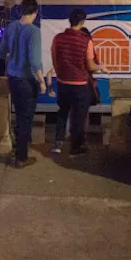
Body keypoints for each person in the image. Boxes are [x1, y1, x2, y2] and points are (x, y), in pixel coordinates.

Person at [50, 8, 106, 156]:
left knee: (62, 112)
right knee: (78, 117)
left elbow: (55, 60)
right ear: (82, 22)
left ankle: (57, 143)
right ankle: (75, 148)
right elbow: (90, 65)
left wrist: (62, 74)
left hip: (63, 83)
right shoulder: (85, 40)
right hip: (80, 85)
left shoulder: (57, 38)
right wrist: (101, 67)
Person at [0, 0, 45, 168]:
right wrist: (42, 81)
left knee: (19, 116)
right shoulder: (34, 31)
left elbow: (1, 52)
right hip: (27, 80)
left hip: (13, 78)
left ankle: (19, 148)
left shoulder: (10, 27)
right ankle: (21, 157)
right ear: (35, 12)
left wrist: (12, 56)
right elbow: (34, 61)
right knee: (26, 119)